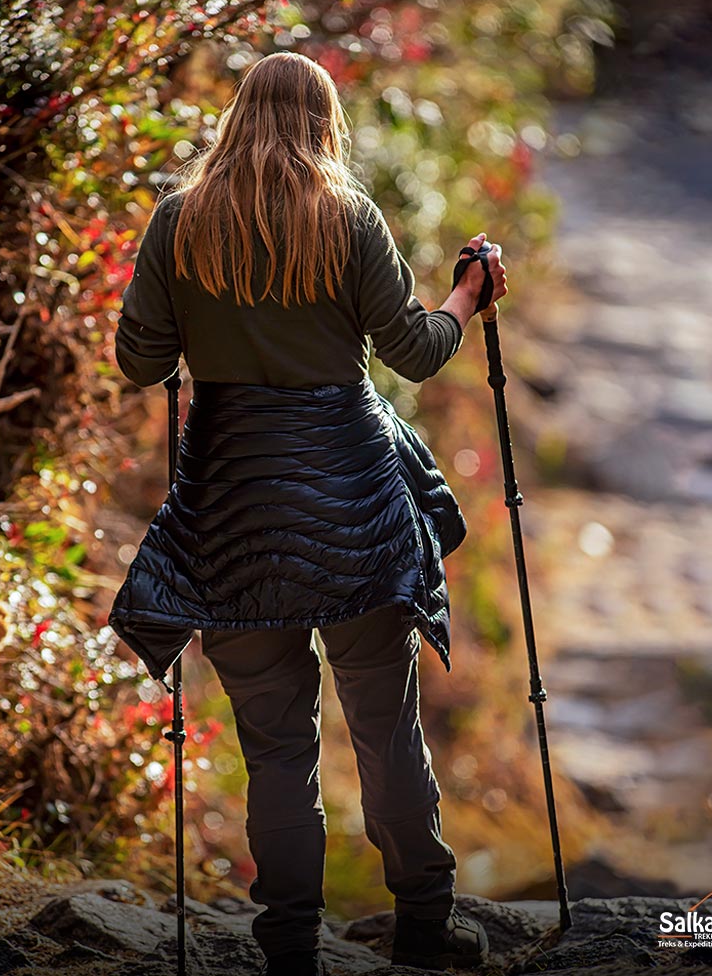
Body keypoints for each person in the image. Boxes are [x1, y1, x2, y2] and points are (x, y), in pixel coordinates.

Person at [108, 52, 507, 976]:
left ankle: (289, 943)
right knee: (384, 723)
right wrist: (466, 294)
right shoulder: (347, 216)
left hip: (234, 508)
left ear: (236, 116)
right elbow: (412, 351)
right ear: (324, 120)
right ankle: (423, 925)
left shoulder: (181, 220)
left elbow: (139, 358)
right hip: (355, 506)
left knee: (277, 746)